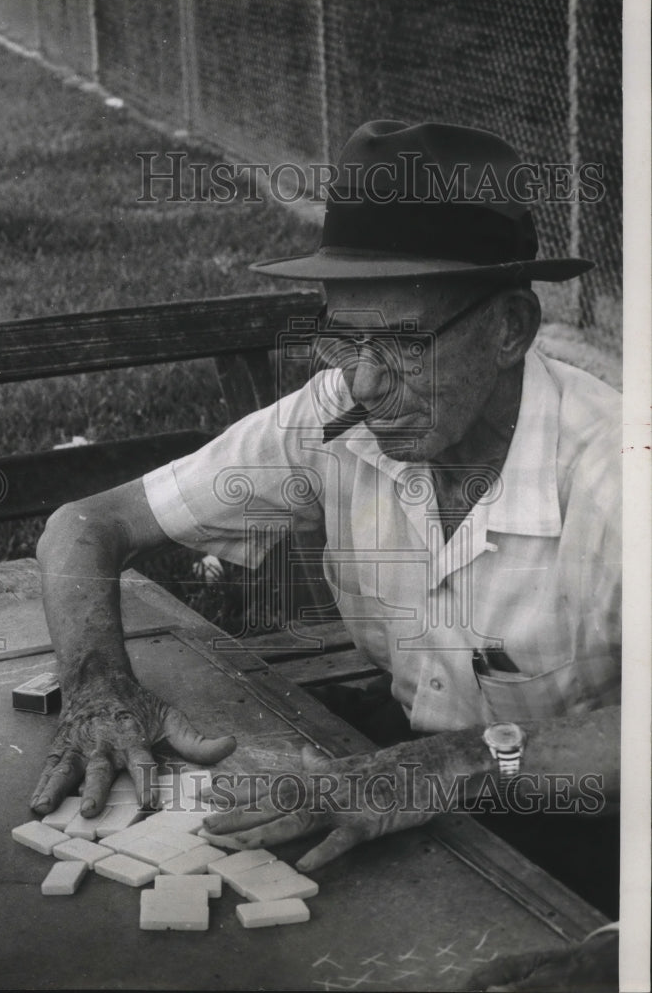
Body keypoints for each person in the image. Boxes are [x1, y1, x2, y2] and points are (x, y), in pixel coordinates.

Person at [33, 121, 620, 990]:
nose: (369, 382)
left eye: (405, 344)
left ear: (511, 326)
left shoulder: (617, 473)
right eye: (346, 340)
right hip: (405, 788)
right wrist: (97, 687)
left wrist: (454, 763)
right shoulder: (335, 417)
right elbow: (82, 526)